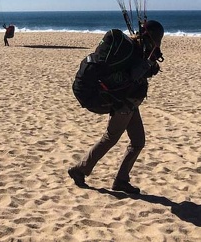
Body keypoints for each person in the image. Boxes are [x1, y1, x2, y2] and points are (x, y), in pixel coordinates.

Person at [68, 19, 165, 195]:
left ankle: (120, 180)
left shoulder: (134, 49)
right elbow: (135, 76)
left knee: (138, 142)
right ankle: (81, 170)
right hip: (125, 104)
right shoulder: (135, 53)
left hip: (130, 104)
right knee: (111, 138)